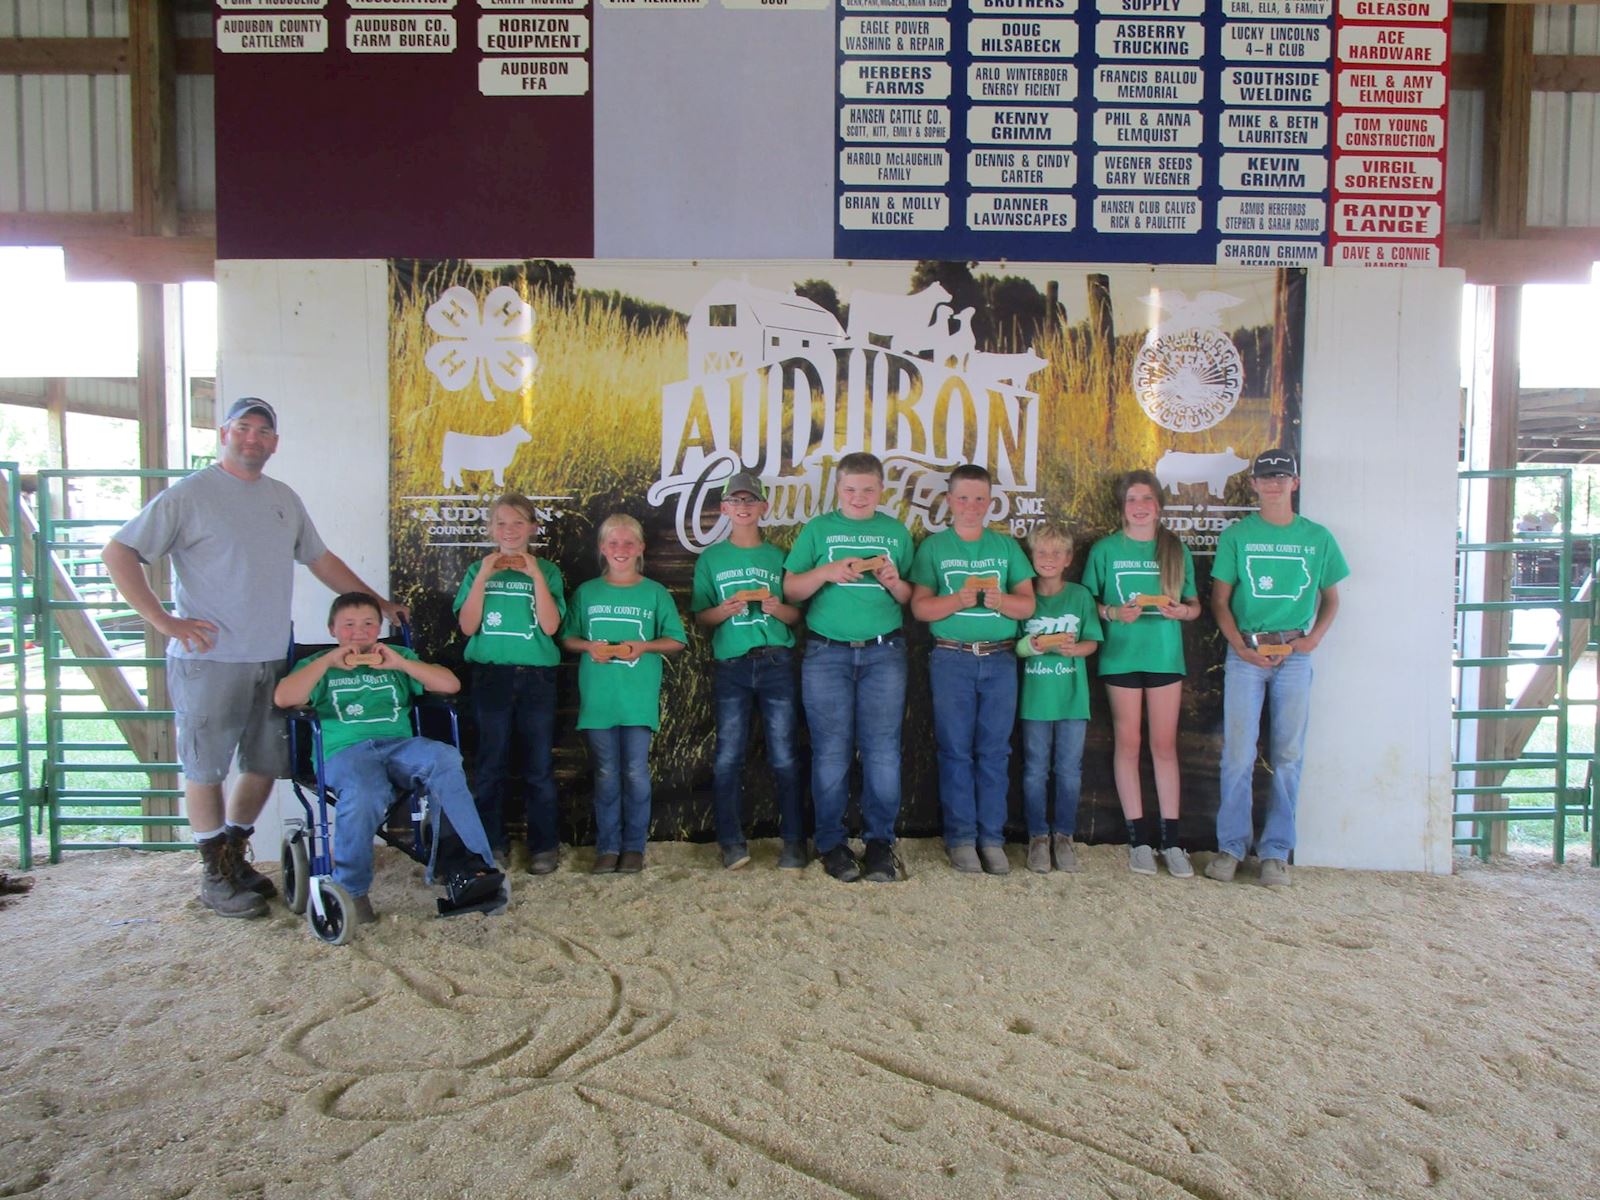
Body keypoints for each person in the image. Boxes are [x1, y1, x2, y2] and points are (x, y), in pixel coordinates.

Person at [102, 398, 407, 919]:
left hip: (273, 658)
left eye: (264, 431)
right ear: (225, 433)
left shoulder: (282, 499)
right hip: (211, 659)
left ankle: (233, 853)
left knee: (266, 763)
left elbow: (321, 559)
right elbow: (119, 552)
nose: (253, 438)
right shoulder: (190, 495)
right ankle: (213, 875)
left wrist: (375, 602)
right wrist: (164, 622)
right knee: (206, 768)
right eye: (243, 428)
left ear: (275, 443)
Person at [272, 592, 504, 923]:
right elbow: (284, 698)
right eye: (349, 625)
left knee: (445, 758)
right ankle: (351, 891)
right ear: (332, 629)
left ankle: (470, 869)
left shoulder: (397, 655)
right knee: (366, 790)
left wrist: (401, 663)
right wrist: (328, 662)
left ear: (379, 627)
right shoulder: (316, 664)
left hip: (399, 746)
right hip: (345, 752)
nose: (359, 632)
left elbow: (450, 685)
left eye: (368, 623)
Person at [1206, 449, 1348, 887]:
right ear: (1253, 484)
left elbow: (1332, 598)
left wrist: (1312, 640)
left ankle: (1275, 852)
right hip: (1247, 654)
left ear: (1295, 483)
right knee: (1237, 754)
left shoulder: (1317, 538)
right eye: (1265, 477)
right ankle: (1231, 847)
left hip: (1293, 655)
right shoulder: (1237, 536)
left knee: (1287, 755)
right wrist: (1238, 646)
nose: (1273, 484)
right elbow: (1220, 601)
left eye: (1281, 476)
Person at [783, 451, 913, 884]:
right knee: (831, 753)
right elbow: (791, 589)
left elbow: (911, 598)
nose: (859, 497)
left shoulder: (896, 533)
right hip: (826, 653)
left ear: (882, 490)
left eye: (868, 489)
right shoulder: (819, 529)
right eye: (851, 489)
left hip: (884, 652)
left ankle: (880, 843)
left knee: (882, 752)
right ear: (837, 489)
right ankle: (832, 844)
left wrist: (895, 583)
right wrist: (826, 571)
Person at [909, 464, 1035, 875]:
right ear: (948, 501)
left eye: (979, 498)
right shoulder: (933, 548)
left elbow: (1027, 605)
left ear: (990, 502)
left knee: (995, 752)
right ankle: (962, 838)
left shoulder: (1006, 548)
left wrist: (998, 601)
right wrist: (958, 601)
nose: (971, 506)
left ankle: (992, 839)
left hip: (999, 658)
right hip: (951, 657)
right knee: (955, 750)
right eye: (963, 498)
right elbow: (920, 607)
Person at [1081, 470, 1201, 878]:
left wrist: (1181, 612)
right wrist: (1114, 612)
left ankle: (1172, 840)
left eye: (1146, 499)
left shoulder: (1174, 549)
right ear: (1122, 506)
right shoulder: (1105, 550)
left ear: (1159, 505)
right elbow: (1089, 604)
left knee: (1164, 746)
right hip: (1120, 658)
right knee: (1127, 743)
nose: (1139, 506)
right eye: (1132, 499)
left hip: (1165, 658)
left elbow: (1194, 606)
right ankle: (1139, 840)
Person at [691, 470, 807, 870]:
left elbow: (796, 615)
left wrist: (779, 609)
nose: (742, 507)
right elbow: (701, 616)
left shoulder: (779, 558)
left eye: (749, 501)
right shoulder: (711, 558)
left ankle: (793, 842)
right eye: (735, 501)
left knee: (784, 756)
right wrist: (722, 611)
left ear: (763, 507)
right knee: (728, 758)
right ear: (724, 508)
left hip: (776, 660)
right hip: (731, 665)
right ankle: (731, 843)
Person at [559, 514, 687, 874]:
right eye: (613, 543)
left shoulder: (655, 592)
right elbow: (567, 638)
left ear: (641, 548)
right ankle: (607, 847)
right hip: (599, 701)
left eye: (629, 543)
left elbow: (677, 640)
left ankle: (634, 847)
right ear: (602, 548)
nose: (621, 550)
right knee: (605, 774)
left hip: (637, 701)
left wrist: (642, 647)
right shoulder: (587, 592)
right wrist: (588, 647)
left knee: (634, 773)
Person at [454, 493, 567, 875]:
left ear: (533, 528)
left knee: (538, 766)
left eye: (518, 523)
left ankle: (544, 846)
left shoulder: (547, 571)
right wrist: (485, 575)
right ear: (490, 529)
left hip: (536, 677)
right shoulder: (477, 571)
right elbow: (468, 626)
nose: (510, 531)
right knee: (490, 765)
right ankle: (492, 843)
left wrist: (534, 574)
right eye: (501, 523)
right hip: (492, 676)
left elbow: (551, 627)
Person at [1014, 523, 1102, 873]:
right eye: (1041, 552)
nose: (1048, 559)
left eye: (1056, 553)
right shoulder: (1023, 596)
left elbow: (1092, 642)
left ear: (1068, 559)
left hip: (1071, 699)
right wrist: (1032, 645)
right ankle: (1038, 837)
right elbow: (1016, 648)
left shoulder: (1079, 596)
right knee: (1035, 770)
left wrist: (1073, 649)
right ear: (1031, 556)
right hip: (1034, 699)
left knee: (1068, 770)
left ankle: (1064, 836)